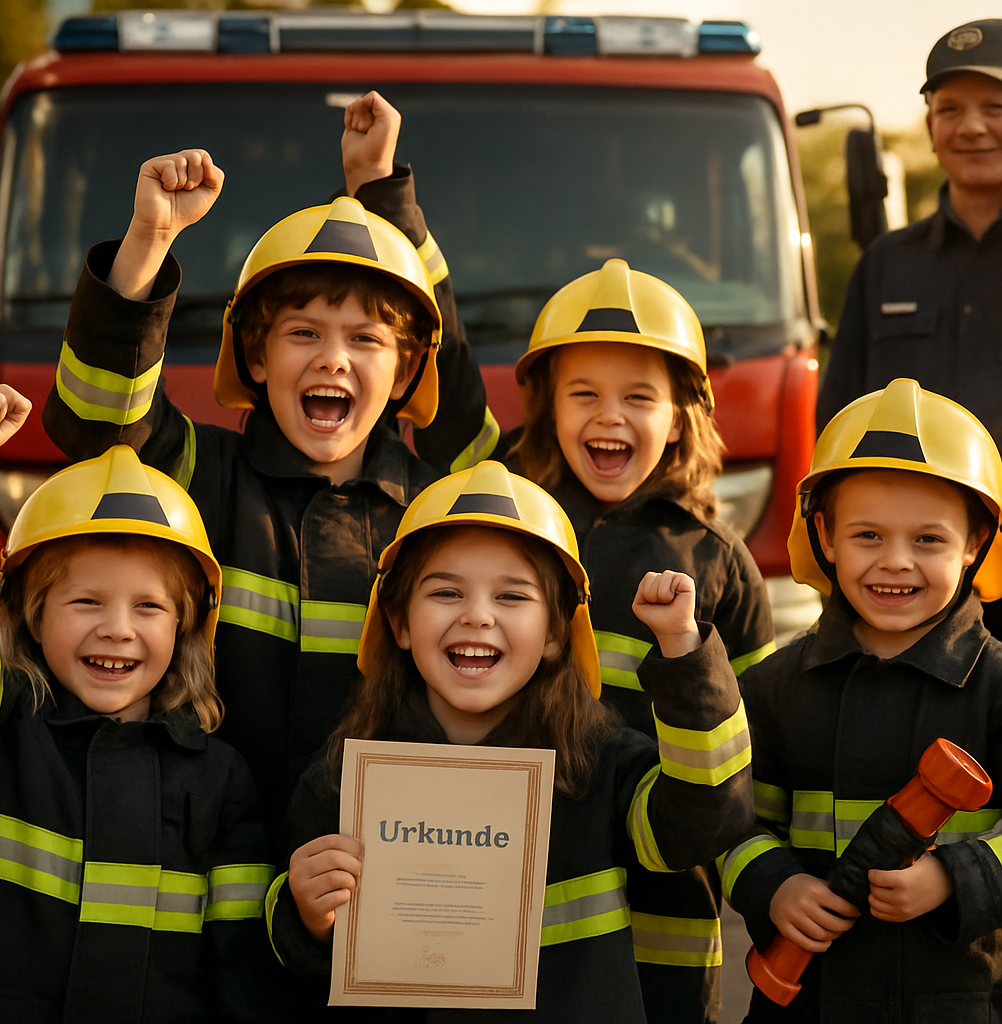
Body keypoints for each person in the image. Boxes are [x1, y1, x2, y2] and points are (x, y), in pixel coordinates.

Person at [42, 93, 494, 854]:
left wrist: (383, 194)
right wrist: (150, 240)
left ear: (410, 367)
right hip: (199, 856)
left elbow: (469, 422)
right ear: (254, 357)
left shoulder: (435, 507)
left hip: (371, 868)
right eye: (303, 333)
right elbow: (99, 422)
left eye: (367, 340)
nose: (333, 358)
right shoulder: (197, 472)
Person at [265, 460, 754, 1021]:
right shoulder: (343, 776)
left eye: (512, 597)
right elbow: (290, 961)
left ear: (554, 633)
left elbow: (705, 819)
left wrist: (684, 655)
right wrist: (303, 915)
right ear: (398, 623)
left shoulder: (606, 766)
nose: (477, 617)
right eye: (446, 592)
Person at [507, 258, 774, 1020]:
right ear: (546, 408)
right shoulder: (516, 525)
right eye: (583, 394)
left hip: (664, 911)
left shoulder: (720, 563)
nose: (609, 415)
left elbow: (753, 755)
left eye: (638, 397)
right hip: (513, 885)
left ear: (682, 415)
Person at [722, 378, 1002, 1022]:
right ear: (823, 534)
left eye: (928, 540)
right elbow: (733, 825)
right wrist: (775, 885)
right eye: (867, 535)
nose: (895, 562)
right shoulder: (775, 687)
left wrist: (955, 879)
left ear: (975, 543)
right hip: (810, 1001)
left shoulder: (996, 691)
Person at [0, 426, 281, 1021]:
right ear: (33, 617)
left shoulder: (220, 781)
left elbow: (244, 978)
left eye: (149, 606)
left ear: (184, 626)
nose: (118, 628)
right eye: (86, 601)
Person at [818, 19, 1002, 446]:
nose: (972, 127)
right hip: (908, 513)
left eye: (995, 107)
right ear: (929, 128)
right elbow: (837, 424)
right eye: (950, 110)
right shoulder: (884, 265)